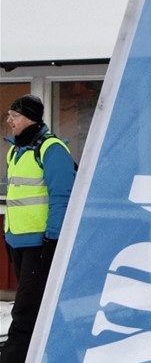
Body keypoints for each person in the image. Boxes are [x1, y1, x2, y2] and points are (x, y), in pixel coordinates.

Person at [2, 95, 76, 363]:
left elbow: (62, 197)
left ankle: (12, 358)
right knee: (42, 304)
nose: (9, 121)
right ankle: (65, 352)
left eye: (14, 115)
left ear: (30, 117)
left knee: (24, 310)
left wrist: (52, 240)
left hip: (40, 245)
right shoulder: (16, 150)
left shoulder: (51, 149)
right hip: (17, 243)